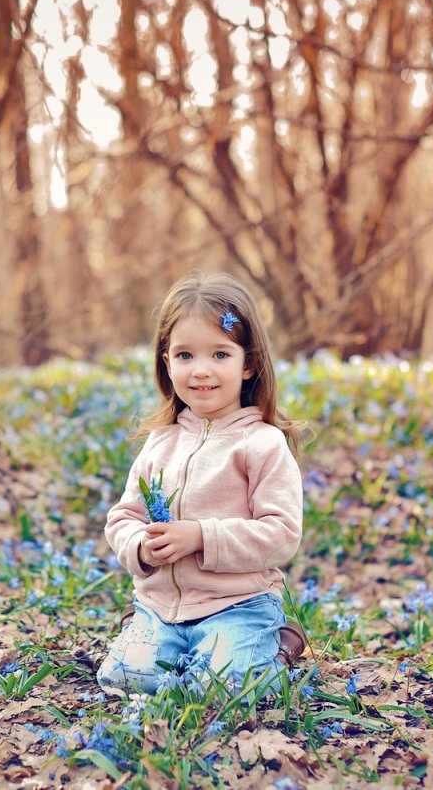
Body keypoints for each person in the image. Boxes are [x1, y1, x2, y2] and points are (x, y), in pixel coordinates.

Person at [97, 271, 308, 699]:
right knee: (122, 680)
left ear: (248, 363)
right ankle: (147, 631)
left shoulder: (263, 444)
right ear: (166, 361)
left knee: (221, 688)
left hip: (239, 606)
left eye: (220, 354)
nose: (202, 370)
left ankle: (281, 647)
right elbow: (124, 516)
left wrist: (200, 537)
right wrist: (139, 545)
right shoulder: (162, 441)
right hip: (161, 607)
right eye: (186, 355)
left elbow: (282, 534)